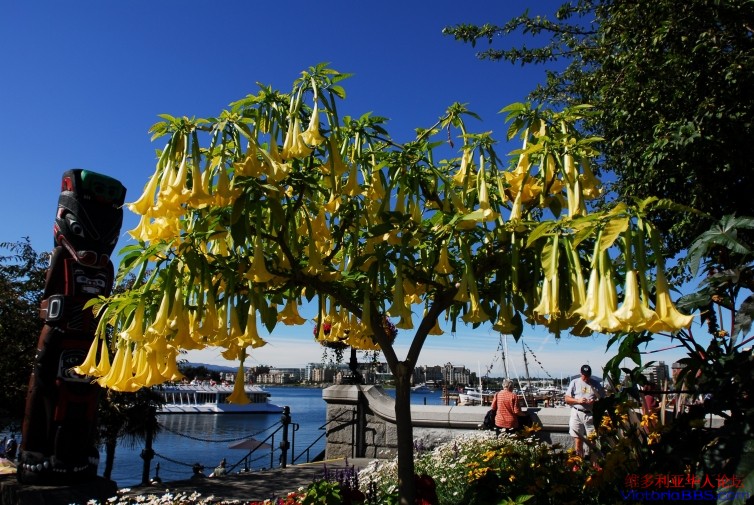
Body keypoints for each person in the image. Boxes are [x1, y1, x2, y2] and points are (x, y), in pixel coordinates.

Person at [565, 365, 605, 457]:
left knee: (592, 441)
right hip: (577, 413)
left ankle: (593, 461)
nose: (586, 377)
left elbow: (603, 399)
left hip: (590, 415)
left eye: (587, 375)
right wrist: (578, 401)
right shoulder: (574, 382)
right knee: (578, 440)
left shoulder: (596, 384)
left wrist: (594, 401)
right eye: (584, 375)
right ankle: (579, 460)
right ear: (581, 373)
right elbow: (567, 399)